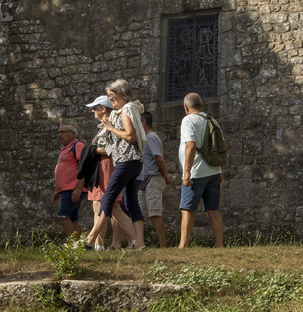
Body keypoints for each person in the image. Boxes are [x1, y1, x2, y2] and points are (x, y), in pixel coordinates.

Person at [86, 80, 146, 250]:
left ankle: (90, 240)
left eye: (112, 95)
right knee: (131, 202)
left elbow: (130, 136)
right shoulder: (124, 111)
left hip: (127, 160)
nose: (110, 98)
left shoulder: (126, 111)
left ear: (121, 93)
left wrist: (111, 128)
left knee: (108, 197)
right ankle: (140, 244)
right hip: (131, 161)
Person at [83, 97, 135, 248]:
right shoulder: (104, 125)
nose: (93, 111)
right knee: (110, 207)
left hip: (107, 167)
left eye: (95, 108)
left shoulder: (110, 124)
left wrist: (90, 150)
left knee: (106, 206)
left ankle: (96, 244)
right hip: (102, 167)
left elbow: (111, 149)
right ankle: (135, 240)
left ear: (103, 109)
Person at [178, 93, 224, 248]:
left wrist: (186, 173)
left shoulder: (188, 120)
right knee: (213, 209)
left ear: (186, 107)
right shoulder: (213, 120)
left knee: (188, 209)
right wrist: (220, 170)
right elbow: (222, 147)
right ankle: (219, 244)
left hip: (196, 172)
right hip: (214, 171)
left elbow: (190, 145)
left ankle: (183, 246)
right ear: (202, 106)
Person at [139, 111, 173, 248]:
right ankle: (138, 244)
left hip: (153, 179)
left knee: (154, 214)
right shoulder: (144, 138)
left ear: (143, 122)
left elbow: (158, 158)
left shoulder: (151, 137)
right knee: (139, 215)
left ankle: (163, 246)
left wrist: (165, 175)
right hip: (144, 180)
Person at [54, 123, 86, 235]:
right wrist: (58, 190)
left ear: (73, 134)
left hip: (73, 189)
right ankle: (79, 247)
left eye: (63, 132)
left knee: (63, 217)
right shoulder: (66, 148)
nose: (59, 135)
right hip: (68, 189)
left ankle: (74, 246)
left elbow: (84, 167)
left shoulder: (77, 145)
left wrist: (78, 188)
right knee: (72, 218)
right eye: (58, 132)